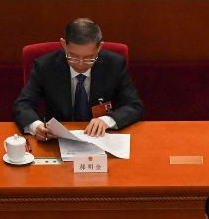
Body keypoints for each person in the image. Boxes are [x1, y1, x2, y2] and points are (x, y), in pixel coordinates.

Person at [12, 17, 143, 140]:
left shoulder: (115, 64)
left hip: (101, 138)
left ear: (100, 47)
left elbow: (134, 106)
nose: (80, 64)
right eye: (73, 56)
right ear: (64, 45)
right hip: (58, 138)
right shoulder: (45, 66)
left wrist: (107, 120)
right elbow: (23, 105)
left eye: (89, 58)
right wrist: (36, 126)